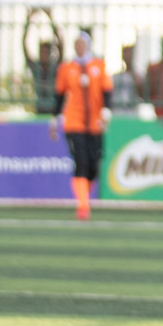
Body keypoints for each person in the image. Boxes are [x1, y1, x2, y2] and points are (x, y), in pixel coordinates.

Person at [51, 31, 112, 221]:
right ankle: (83, 205)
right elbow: (59, 96)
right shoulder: (67, 68)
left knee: (94, 165)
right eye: (76, 44)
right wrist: (55, 119)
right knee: (81, 162)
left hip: (94, 122)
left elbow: (107, 92)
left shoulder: (98, 66)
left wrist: (106, 111)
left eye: (82, 43)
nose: (79, 47)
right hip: (74, 121)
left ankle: (84, 197)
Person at [24, 8, 64, 115]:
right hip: (40, 108)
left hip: (54, 108)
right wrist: (29, 20)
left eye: (46, 52)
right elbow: (24, 44)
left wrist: (51, 19)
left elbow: (61, 46)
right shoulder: (35, 67)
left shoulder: (54, 67)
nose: (43, 55)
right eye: (41, 52)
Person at [112, 42, 144, 109]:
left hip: (132, 110)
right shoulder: (116, 76)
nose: (127, 55)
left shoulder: (138, 75)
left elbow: (142, 93)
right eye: (125, 52)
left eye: (129, 53)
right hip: (118, 109)